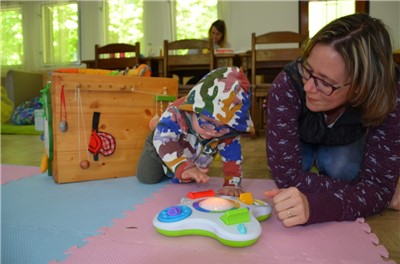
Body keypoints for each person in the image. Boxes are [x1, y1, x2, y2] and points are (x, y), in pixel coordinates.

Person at [264, 13, 400, 227]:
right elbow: (287, 175)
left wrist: (315, 206)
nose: (308, 87)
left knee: (343, 168)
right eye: (307, 69)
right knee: (301, 165)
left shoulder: (390, 94)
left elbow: (378, 185)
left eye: (326, 83)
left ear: (361, 88)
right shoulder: (288, 83)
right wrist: (370, 194)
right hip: (303, 136)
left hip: (345, 138)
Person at [137, 67, 254, 197]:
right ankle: (159, 129)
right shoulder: (176, 113)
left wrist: (232, 184)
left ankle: (181, 168)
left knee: (189, 179)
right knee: (147, 178)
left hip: (193, 155)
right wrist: (184, 166)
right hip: (163, 142)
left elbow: (233, 157)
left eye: (222, 128)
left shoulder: (227, 131)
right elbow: (164, 140)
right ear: (193, 110)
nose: (213, 132)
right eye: (208, 123)